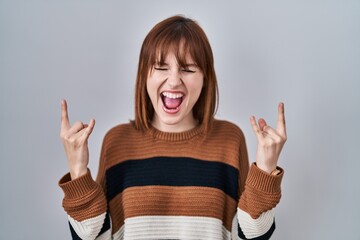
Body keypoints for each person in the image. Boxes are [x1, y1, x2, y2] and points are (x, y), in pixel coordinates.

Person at [59, 15, 287, 240]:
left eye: (188, 69)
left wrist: (266, 169)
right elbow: (93, 236)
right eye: (160, 67)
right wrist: (78, 170)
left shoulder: (229, 140)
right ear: (144, 74)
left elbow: (250, 234)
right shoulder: (117, 142)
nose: (174, 80)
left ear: (205, 78)